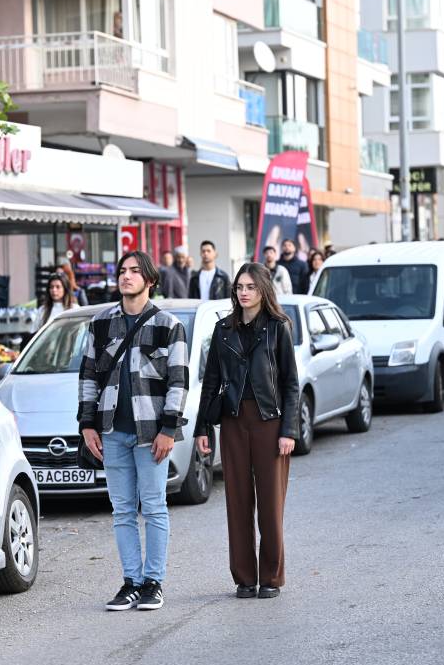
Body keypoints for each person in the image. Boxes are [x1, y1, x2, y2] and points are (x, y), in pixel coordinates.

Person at [78, 250, 189, 612]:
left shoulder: (169, 325)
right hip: (112, 431)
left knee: (154, 507)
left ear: (150, 280)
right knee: (122, 510)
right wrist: (87, 424)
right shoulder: (100, 323)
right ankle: (131, 582)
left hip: (151, 432)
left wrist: (169, 428)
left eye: (134, 272)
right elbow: (88, 376)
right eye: (122, 271)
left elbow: (178, 381)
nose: (125, 277)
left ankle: (153, 583)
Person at [194, 262, 299, 599]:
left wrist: (289, 430)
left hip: (270, 423)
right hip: (234, 421)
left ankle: (271, 577)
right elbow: (210, 383)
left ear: (263, 290)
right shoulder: (223, 330)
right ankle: (244, 577)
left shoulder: (279, 327)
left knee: (270, 504)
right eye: (239, 286)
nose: (243, 292)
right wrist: (202, 429)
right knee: (237, 502)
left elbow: (291, 384)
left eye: (251, 287)